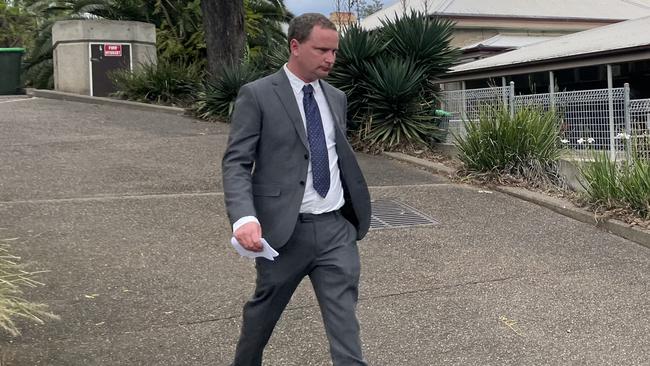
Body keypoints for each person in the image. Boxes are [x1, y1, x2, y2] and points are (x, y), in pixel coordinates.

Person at [222, 12, 371, 366]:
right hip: (284, 234)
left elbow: (335, 153)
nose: (330, 59)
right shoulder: (257, 95)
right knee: (261, 317)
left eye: (334, 52)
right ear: (295, 46)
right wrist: (243, 217)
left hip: (336, 229)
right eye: (321, 50)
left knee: (345, 325)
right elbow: (237, 162)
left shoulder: (336, 97)